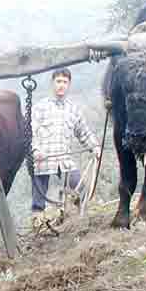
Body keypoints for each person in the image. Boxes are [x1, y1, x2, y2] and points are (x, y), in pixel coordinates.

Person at [30, 68, 100, 218]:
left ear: (69, 84)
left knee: (82, 189)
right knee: (38, 203)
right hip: (43, 161)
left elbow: (83, 132)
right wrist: (35, 151)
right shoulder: (39, 107)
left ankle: (80, 219)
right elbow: (30, 133)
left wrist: (95, 147)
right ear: (52, 83)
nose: (61, 85)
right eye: (58, 81)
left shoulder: (73, 110)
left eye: (65, 82)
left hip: (64, 160)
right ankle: (38, 224)